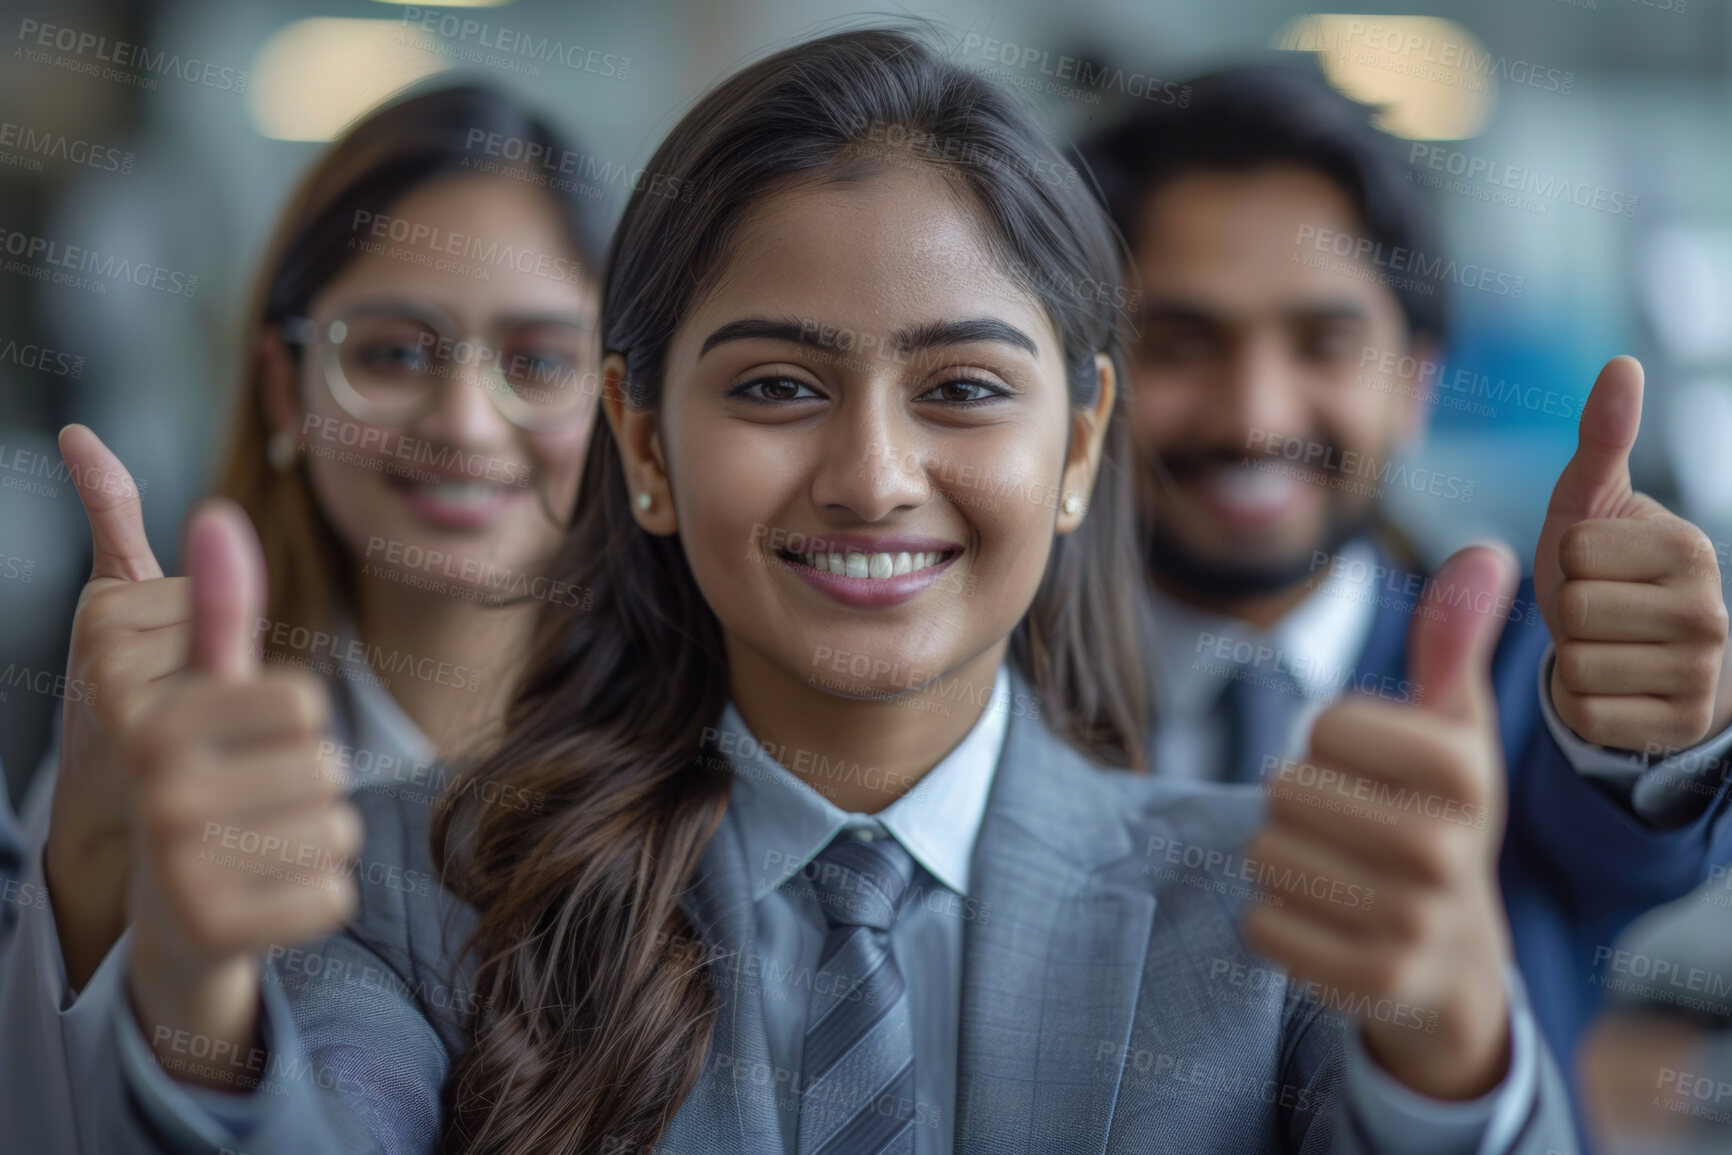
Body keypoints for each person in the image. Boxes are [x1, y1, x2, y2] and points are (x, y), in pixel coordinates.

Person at [75, 28, 1578, 1154]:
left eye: (964, 387)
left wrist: (1448, 1044)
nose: (871, 473)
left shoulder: (1279, 904)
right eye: (781, 384)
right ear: (646, 448)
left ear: (1081, 447)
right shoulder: (414, 884)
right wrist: (204, 1002)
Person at [1078, 59, 1732, 1111]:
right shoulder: (980, 678)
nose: (1257, 415)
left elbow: (1635, 842)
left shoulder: (1533, 672)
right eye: (1179, 343)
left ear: (1417, 383)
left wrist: (1656, 726)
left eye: (1323, 343)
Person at [0, 84, 606, 1153]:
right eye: (393, 353)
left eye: (538, 362)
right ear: (285, 393)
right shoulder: (156, 736)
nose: (466, 421)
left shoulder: (711, 746)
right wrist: (98, 835)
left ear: (618, 406)